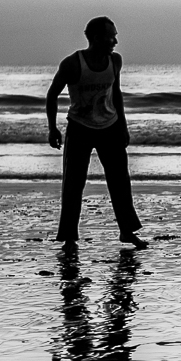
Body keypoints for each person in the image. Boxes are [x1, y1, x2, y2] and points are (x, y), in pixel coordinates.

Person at [46, 16, 145, 246]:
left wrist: (123, 126)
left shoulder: (115, 61)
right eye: (111, 36)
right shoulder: (72, 63)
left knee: (120, 181)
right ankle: (69, 237)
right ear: (96, 38)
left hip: (109, 127)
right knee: (73, 184)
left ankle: (127, 231)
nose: (115, 41)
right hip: (80, 128)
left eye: (116, 35)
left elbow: (116, 94)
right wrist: (53, 129)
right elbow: (52, 95)